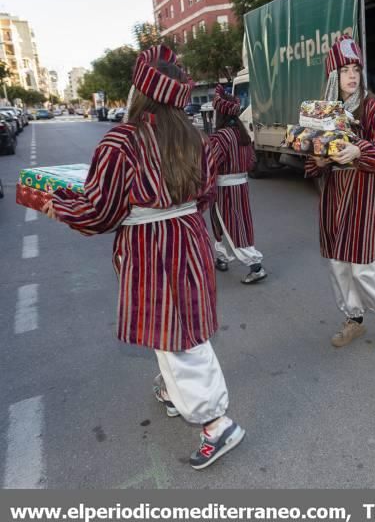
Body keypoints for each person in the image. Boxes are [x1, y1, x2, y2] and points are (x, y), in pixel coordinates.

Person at [44, 45, 245, 470]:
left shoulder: (122, 141)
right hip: (189, 238)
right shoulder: (195, 137)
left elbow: (99, 213)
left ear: (140, 89)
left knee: (178, 340)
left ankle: (216, 424)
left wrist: (57, 204)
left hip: (152, 249)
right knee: (184, 329)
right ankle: (175, 394)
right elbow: (206, 195)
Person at [305, 35, 375, 351]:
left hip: (365, 195)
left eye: (355, 69)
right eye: (344, 69)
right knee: (339, 266)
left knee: (366, 266)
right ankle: (354, 320)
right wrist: (318, 159)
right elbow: (313, 162)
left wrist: (358, 150)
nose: (351, 75)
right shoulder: (323, 112)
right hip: (334, 196)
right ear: (333, 75)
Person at [209, 84, 267, 285]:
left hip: (225, 188)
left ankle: (255, 266)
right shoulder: (242, 134)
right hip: (241, 185)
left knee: (233, 226)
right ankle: (222, 257)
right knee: (221, 222)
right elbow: (251, 162)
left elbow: (210, 164)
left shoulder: (221, 136)